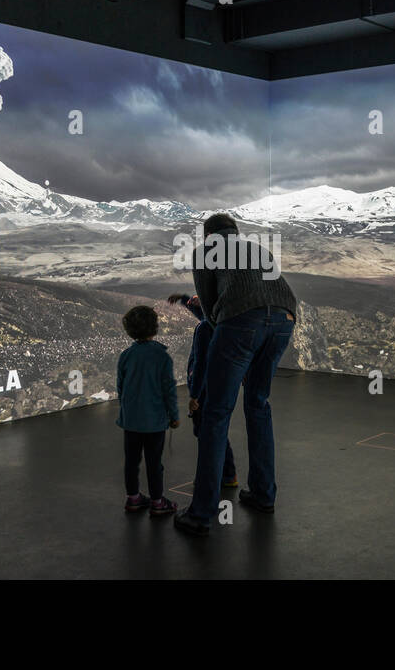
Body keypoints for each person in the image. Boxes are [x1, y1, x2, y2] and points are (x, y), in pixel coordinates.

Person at [175, 214, 297, 537]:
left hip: (241, 320)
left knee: (215, 414)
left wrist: (231, 352)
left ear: (209, 233)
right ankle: (263, 494)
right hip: (285, 318)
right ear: (235, 231)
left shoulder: (206, 251)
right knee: (258, 404)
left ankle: (200, 514)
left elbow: (213, 312)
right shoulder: (257, 248)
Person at [168, 293, 238, 488]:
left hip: (205, 390)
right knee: (217, 429)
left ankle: (211, 478)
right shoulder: (224, 323)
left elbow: (201, 364)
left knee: (206, 434)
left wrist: (194, 395)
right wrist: (184, 299)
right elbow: (205, 316)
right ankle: (228, 474)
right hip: (223, 385)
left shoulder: (204, 329)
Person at [115, 305, 179, 517]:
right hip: (154, 422)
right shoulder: (162, 357)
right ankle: (158, 503)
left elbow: (121, 387)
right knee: (154, 463)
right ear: (155, 327)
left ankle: (133, 499)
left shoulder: (125, 355)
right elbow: (169, 390)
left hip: (131, 420)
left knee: (131, 462)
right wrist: (174, 416)